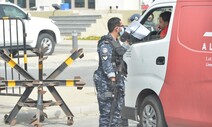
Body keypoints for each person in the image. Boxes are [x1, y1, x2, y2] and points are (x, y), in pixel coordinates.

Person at [93, 17, 130, 127]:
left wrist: (128, 43)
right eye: (121, 26)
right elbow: (106, 64)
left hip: (116, 83)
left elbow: (119, 53)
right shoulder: (105, 43)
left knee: (117, 113)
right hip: (106, 85)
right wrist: (113, 80)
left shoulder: (115, 42)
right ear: (116, 28)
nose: (123, 28)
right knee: (106, 113)